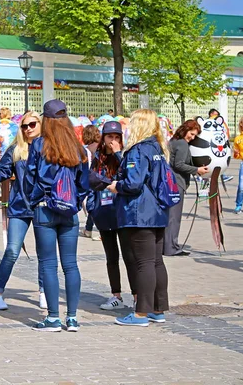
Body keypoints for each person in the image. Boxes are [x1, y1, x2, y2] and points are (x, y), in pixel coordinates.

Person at [24, 99, 89, 332]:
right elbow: (84, 183)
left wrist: (35, 201)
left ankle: (52, 317)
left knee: (48, 264)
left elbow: (29, 179)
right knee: (71, 264)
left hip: (45, 209)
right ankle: (72, 317)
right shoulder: (77, 147)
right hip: (70, 211)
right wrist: (74, 200)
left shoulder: (39, 145)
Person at [107, 109, 170, 327]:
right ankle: (158, 308)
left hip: (140, 212)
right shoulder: (158, 148)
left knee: (144, 262)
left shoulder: (138, 150)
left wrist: (116, 186)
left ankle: (141, 313)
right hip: (158, 211)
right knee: (156, 261)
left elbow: (133, 183)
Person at [0, 111, 46, 311]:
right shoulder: (16, 149)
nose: (28, 129)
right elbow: (0, 172)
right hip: (19, 206)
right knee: (12, 250)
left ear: (40, 125)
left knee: (44, 252)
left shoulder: (48, 148)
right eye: (24, 126)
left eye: (32, 124)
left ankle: (43, 292)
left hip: (42, 206)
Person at [87, 120, 136, 310]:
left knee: (129, 256)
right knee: (111, 257)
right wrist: (92, 208)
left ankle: (137, 295)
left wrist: (117, 152)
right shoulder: (97, 157)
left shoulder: (125, 156)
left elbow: (130, 176)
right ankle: (116, 295)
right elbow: (90, 182)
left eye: (117, 137)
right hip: (104, 213)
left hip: (122, 214)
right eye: (110, 137)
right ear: (103, 138)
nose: (113, 140)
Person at [164, 120, 209, 257]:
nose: (192, 137)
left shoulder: (174, 141)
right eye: (191, 134)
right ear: (185, 130)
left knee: (169, 216)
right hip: (177, 183)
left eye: (195, 135)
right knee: (174, 217)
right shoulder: (182, 144)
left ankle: (166, 245)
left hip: (169, 182)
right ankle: (171, 247)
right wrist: (197, 170)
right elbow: (179, 164)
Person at [80, 125, 101, 241]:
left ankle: (99, 229)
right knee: (94, 204)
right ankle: (88, 229)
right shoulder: (101, 146)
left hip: (92, 180)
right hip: (102, 180)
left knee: (92, 206)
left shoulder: (87, 149)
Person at [207, 109, 233, 183]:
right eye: (215, 114)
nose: (216, 116)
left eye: (217, 114)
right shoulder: (207, 123)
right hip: (210, 145)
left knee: (220, 160)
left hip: (219, 145)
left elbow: (225, 130)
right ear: (211, 114)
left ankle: (222, 175)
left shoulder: (220, 123)